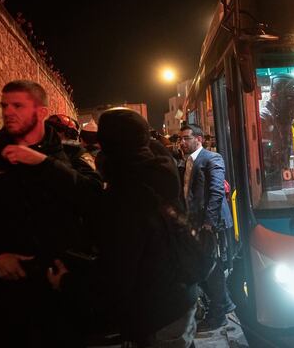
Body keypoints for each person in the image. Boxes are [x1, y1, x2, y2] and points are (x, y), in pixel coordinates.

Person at [0, 80, 103, 347]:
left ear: (41, 112)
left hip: (60, 289)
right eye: (4, 105)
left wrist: (45, 164)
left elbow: (94, 198)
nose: (8, 112)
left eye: (18, 106)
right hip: (4, 295)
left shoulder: (72, 155)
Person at [48, 108, 197, 347]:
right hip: (179, 298)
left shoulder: (125, 193)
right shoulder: (158, 172)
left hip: (156, 311)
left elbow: (117, 272)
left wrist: (67, 282)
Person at [182, 123, 235, 332]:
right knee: (208, 266)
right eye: (180, 139)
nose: (182, 142)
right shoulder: (188, 161)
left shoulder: (212, 158)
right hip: (196, 222)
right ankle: (224, 305)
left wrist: (209, 223)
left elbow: (216, 191)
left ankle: (219, 313)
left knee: (211, 268)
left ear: (199, 139)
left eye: (186, 138)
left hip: (210, 223)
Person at [259, 74, 294, 188]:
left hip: (281, 184)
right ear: (279, 97)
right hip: (269, 186)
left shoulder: (283, 119)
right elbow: (267, 164)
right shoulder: (264, 119)